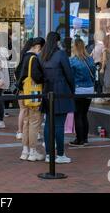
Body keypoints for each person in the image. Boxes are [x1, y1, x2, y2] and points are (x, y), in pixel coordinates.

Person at [39, 32, 75, 164]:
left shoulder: (42, 55)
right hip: (61, 91)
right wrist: (72, 90)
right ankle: (60, 154)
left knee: (48, 124)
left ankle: (49, 154)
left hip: (47, 90)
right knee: (59, 125)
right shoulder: (60, 54)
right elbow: (69, 74)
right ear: (57, 41)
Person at [17, 37, 45, 161]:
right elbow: (38, 77)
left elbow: (18, 74)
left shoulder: (23, 57)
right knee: (34, 122)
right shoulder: (34, 58)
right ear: (38, 47)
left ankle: (25, 151)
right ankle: (33, 152)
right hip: (33, 94)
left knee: (26, 122)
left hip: (22, 93)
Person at [69, 38, 96, 147]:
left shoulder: (73, 60)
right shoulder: (90, 59)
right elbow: (94, 73)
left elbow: (70, 76)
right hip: (89, 89)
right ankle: (85, 139)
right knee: (84, 115)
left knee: (78, 115)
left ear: (74, 47)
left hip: (78, 89)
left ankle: (79, 139)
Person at [14, 38, 35, 139]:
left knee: (22, 110)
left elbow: (15, 72)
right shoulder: (31, 57)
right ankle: (33, 132)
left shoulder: (21, 56)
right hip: (30, 88)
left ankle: (19, 131)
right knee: (32, 111)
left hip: (20, 88)